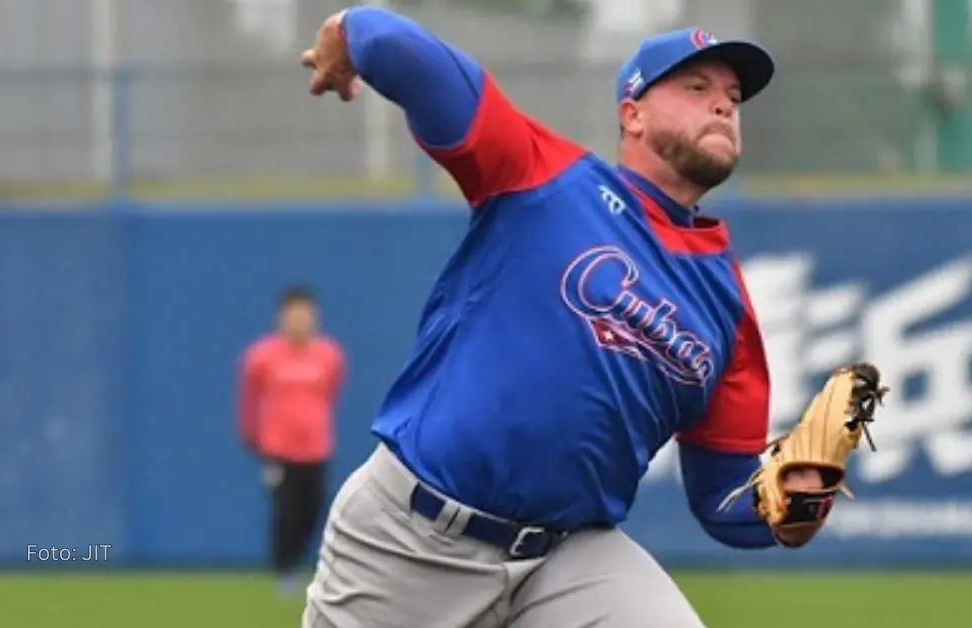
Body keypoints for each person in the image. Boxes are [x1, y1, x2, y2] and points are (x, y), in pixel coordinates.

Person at [296, 6, 864, 627]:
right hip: (414, 535)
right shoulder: (546, 177)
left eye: (732, 95)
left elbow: (724, 500)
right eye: (696, 88)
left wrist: (795, 501)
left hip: (568, 558)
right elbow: (395, 44)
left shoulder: (725, 302)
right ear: (633, 113)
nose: (724, 105)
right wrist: (346, 29)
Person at [237, 284, 346, 597]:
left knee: (312, 510)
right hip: (278, 450)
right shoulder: (262, 356)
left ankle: (302, 562)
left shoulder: (329, 355)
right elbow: (249, 398)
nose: (300, 320)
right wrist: (252, 435)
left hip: (316, 448)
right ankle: (283, 571)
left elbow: (332, 392)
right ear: (281, 317)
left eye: (306, 314)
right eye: (293, 314)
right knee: (285, 511)